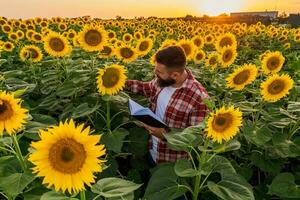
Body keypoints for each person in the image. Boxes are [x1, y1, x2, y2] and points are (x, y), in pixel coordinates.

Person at [126, 45, 210, 165]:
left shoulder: (199, 99)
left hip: (171, 161)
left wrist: (165, 136)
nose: (155, 73)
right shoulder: (162, 81)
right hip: (152, 149)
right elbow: (146, 88)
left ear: (174, 75)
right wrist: (118, 82)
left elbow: (196, 139)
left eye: (159, 72)